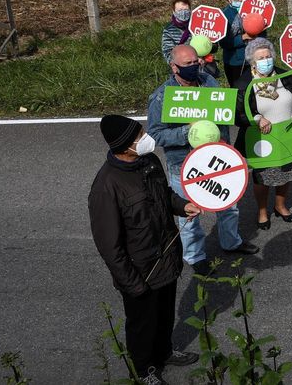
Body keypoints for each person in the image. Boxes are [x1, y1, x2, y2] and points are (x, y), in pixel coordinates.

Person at [89, 115, 199, 384]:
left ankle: (164, 352)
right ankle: (143, 369)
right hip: (140, 273)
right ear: (125, 146)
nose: (145, 138)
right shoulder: (106, 186)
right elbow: (109, 246)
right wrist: (132, 284)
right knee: (141, 325)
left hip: (166, 258)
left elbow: (165, 196)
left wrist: (182, 205)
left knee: (164, 315)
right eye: (138, 136)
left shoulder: (149, 162)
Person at [147, 44, 259, 268]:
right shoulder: (162, 97)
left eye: (196, 61)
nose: (194, 65)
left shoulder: (209, 82)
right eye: (187, 64)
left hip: (218, 158)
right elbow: (155, 134)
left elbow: (223, 114)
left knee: (229, 203)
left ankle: (231, 241)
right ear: (174, 67)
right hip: (184, 164)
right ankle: (195, 256)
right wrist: (188, 132)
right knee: (188, 215)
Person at [233, 38, 292, 229]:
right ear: (253, 61)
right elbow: (237, 113)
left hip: (288, 134)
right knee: (263, 178)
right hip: (261, 138)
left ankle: (280, 205)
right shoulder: (244, 83)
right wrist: (257, 119)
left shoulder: (285, 76)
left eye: (268, 56)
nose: (266, 60)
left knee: (287, 172)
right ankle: (262, 211)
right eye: (261, 58)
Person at [219, 0, 262, 86]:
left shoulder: (253, 9)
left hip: (255, 59)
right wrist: (243, 38)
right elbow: (224, 43)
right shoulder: (225, 15)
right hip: (235, 62)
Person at [160, 0, 192, 64]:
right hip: (180, 67)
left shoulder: (196, 26)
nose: (183, 12)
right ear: (174, 11)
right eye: (180, 10)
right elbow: (167, 52)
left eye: (186, 9)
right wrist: (180, 64)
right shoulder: (169, 30)